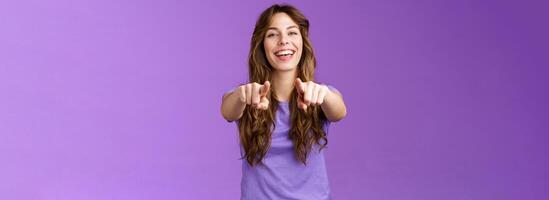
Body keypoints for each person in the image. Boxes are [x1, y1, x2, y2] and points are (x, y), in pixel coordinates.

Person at [220, 4, 347, 200]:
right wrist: (241, 96)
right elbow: (228, 111)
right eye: (272, 34)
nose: (284, 41)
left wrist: (324, 96)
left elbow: (339, 111)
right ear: (261, 44)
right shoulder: (248, 96)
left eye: (292, 33)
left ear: (303, 42)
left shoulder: (320, 94)